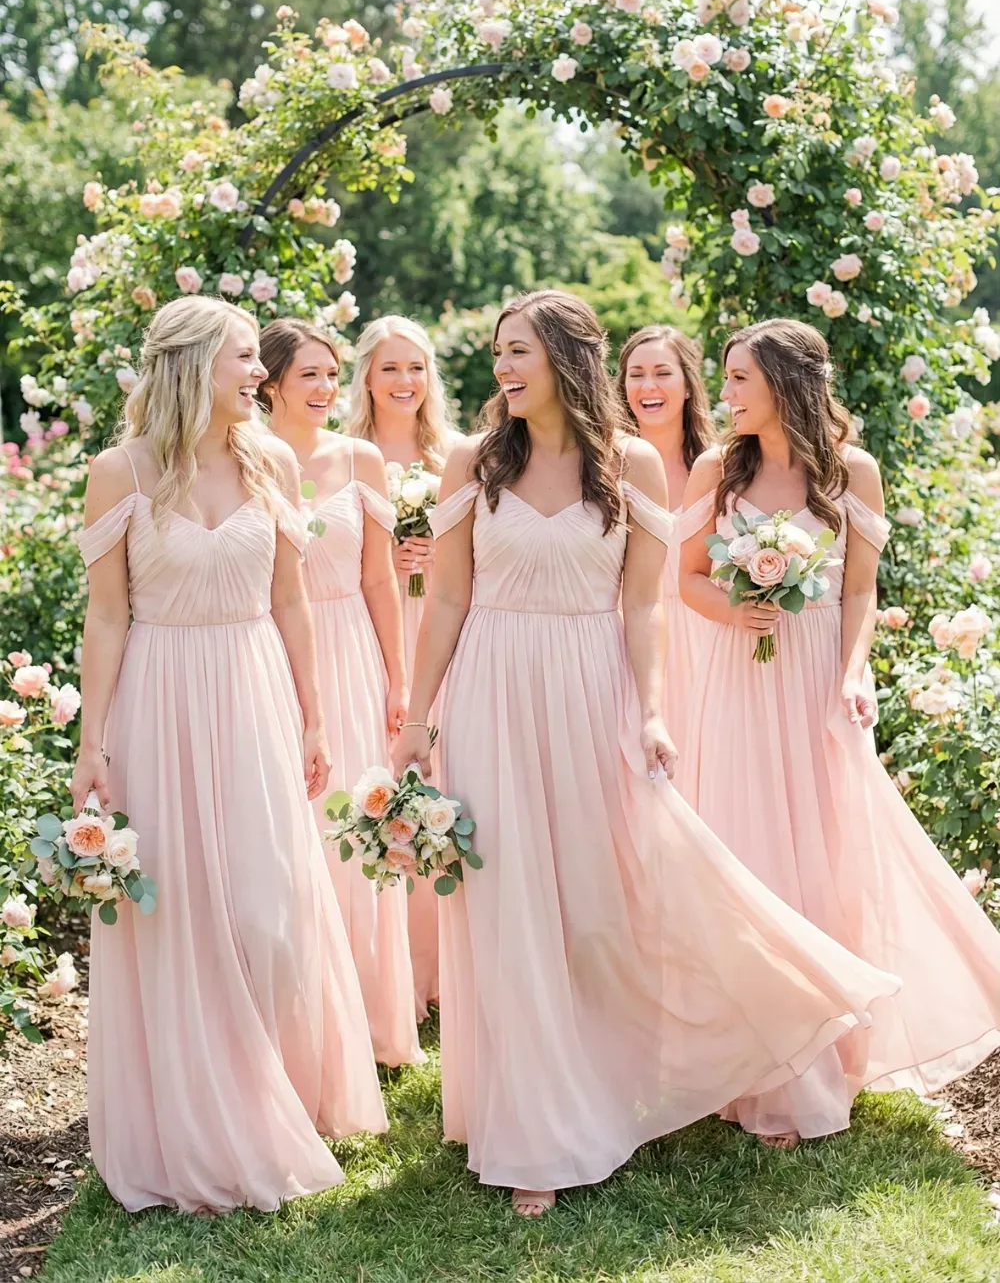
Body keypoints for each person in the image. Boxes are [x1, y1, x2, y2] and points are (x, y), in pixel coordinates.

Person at [391, 289, 899, 1218]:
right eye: (499, 354)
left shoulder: (630, 465)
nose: (503, 369)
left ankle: (632, 1079)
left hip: (595, 691)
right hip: (493, 689)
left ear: (566, 360)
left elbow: (645, 605)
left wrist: (653, 713)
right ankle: (528, 1134)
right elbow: (450, 602)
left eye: (520, 354)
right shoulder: (474, 460)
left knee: (595, 913)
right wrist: (418, 723)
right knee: (508, 912)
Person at [73, 297, 386, 1213]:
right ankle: (194, 1121)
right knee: (175, 917)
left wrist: (316, 718)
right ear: (192, 364)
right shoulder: (117, 472)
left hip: (251, 692)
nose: (261, 374)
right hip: (159, 704)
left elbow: (292, 601)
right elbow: (106, 614)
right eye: (245, 359)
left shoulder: (271, 460)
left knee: (267, 911)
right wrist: (93, 741)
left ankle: (274, 1089)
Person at [679, 317, 1000, 1148]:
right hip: (740, 679)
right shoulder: (718, 470)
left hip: (818, 672)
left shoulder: (853, 470)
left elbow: (860, 591)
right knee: (751, 850)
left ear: (787, 382)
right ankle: (752, 1062)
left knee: (826, 857)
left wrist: (853, 674)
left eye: (742, 379)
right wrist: (733, 605)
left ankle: (821, 1062)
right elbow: (681, 579)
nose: (729, 394)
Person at [258, 317, 422, 1067]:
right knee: (292, 835)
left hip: (353, 651)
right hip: (272, 655)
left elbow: (380, 578)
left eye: (331, 374)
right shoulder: (247, 462)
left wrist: (399, 677)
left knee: (355, 827)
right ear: (269, 383)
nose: (325, 389)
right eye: (308, 377)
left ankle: (372, 1018)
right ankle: (300, 1017)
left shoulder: (360, 459)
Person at [349, 315, 458, 1021]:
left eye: (415, 367)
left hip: (442, 629)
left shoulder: (454, 455)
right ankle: (387, 979)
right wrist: (388, 563)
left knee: (444, 786)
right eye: (390, 368)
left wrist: (431, 557)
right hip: (370, 629)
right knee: (384, 788)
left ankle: (442, 970)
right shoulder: (344, 454)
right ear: (367, 375)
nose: (404, 381)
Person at [617, 325, 715, 758]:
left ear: (688, 385)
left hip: (707, 640)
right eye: (635, 375)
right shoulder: (605, 468)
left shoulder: (722, 468)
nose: (648, 386)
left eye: (662, 373)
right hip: (630, 640)